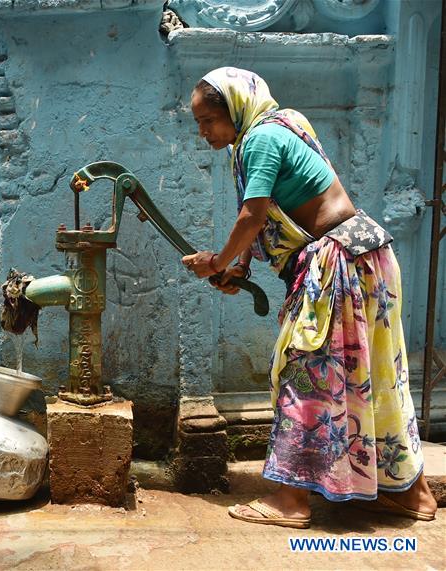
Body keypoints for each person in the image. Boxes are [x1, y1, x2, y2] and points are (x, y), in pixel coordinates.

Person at [183, 67, 437, 528]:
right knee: (376, 375)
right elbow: (283, 217)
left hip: (338, 264)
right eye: (199, 122)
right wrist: (240, 268)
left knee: (304, 374)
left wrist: (217, 263)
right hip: (369, 257)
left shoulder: (257, 139)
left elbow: (253, 217)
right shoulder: (288, 124)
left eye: (208, 121)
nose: (203, 132)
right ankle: (410, 496)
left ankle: (290, 500)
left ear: (235, 110)